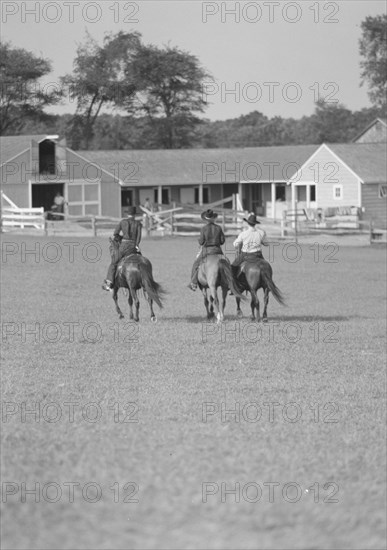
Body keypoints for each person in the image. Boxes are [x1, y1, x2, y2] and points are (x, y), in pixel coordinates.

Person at [102, 206, 142, 291]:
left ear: (128, 214)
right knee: (142, 262)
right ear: (135, 215)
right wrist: (136, 245)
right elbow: (139, 238)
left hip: (124, 246)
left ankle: (109, 283)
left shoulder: (122, 222)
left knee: (113, 263)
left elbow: (115, 233)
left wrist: (121, 238)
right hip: (134, 247)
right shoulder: (138, 224)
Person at [188, 209, 225, 291]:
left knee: (196, 264)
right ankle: (230, 282)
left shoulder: (204, 228)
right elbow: (222, 241)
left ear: (205, 219)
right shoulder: (219, 228)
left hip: (207, 251)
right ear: (214, 218)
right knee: (227, 265)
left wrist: (199, 240)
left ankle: (193, 283)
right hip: (218, 251)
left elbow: (201, 242)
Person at [231, 213, 268, 279]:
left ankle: (233, 282)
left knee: (233, 267)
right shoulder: (261, 233)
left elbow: (235, 244)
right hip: (258, 254)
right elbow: (266, 244)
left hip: (245, 254)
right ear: (255, 223)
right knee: (266, 268)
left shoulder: (243, 234)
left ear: (247, 223)